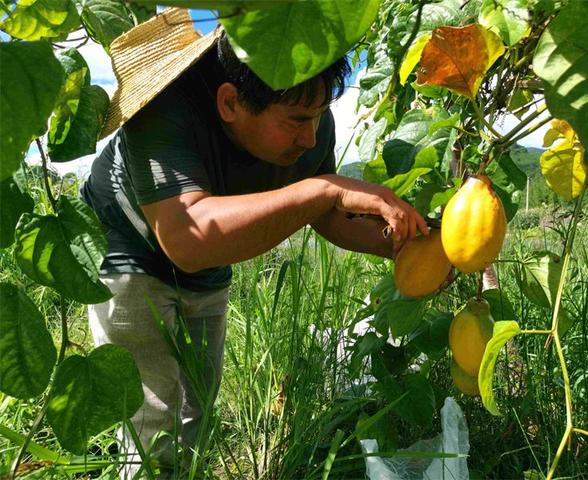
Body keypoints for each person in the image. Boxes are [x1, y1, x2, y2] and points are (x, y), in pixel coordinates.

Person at [81, 8, 428, 478]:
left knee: (200, 405)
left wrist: (403, 243)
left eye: (319, 116)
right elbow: (189, 238)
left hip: (211, 262)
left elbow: (325, 214)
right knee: (152, 419)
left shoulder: (307, 122)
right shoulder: (164, 111)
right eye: (295, 121)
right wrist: (324, 188)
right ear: (229, 104)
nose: (310, 137)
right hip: (132, 253)